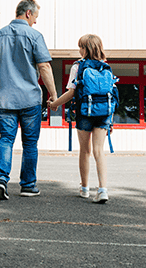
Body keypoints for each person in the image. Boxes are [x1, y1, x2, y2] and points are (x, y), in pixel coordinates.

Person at [0, 0, 57, 200]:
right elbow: (44, 67)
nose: (35, 21)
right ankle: (28, 185)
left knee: (6, 139)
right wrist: (53, 95)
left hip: (5, 99)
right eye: (35, 16)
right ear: (28, 13)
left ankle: (0, 180)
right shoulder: (35, 35)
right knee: (30, 143)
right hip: (29, 100)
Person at [49, 34, 112, 204]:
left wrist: (54, 104)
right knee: (99, 151)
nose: (79, 49)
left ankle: (85, 188)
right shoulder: (106, 67)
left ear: (85, 49)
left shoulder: (78, 66)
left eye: (80, 47)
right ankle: (103, 189)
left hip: (85, 112)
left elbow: (71, 92)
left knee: (85, 150)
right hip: (104, 113)